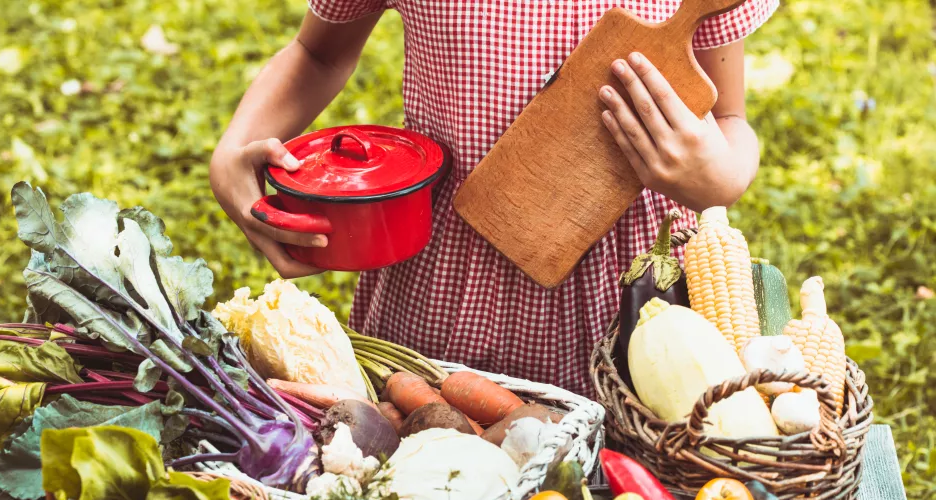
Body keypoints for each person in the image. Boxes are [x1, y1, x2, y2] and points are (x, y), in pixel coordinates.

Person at [210, 0, 777, 397]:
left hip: (631, 305)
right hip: (440, 288)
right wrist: (229, 155)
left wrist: (717, 179)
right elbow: (319, 54)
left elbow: (728, 116)